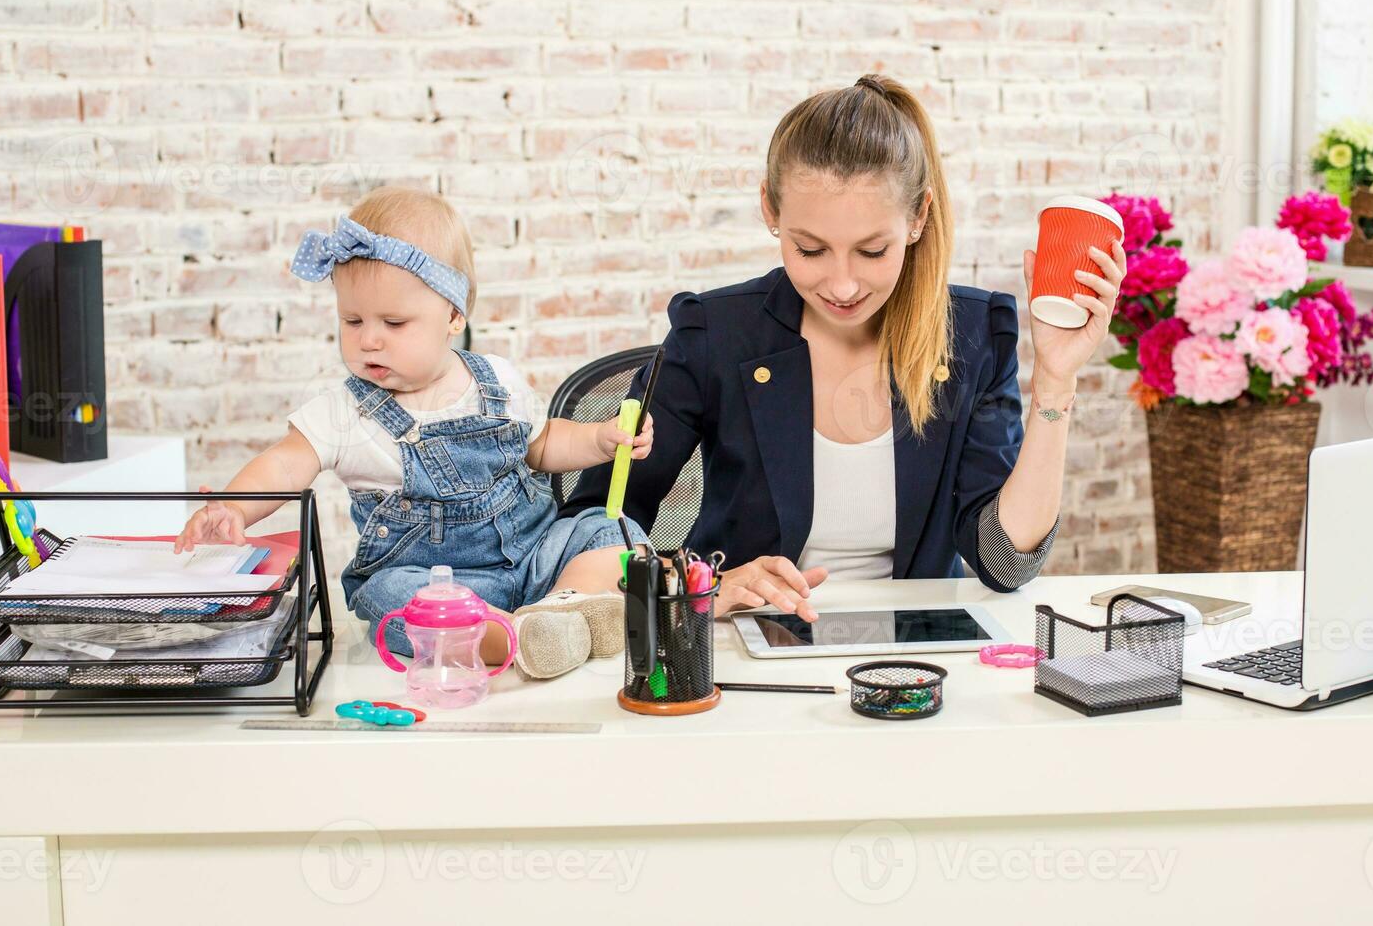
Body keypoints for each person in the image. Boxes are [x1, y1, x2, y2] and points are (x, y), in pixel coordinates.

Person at [563, 74, 1124, 622]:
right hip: (743, 651)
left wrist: (1056, 379)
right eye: (810, 250)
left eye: (872, 251)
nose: (842, 285)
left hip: (911, 660)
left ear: (918, 217)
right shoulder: (715, 332)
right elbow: (596, 521)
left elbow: (1004, 564)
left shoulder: (973, 335)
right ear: (770, 211)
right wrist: (702, 587)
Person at [174, 186, 653, 679]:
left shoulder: (498, 380)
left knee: (605, 530)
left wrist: (599, 440)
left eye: (394, 322)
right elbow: (283, 462)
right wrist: (233, 506)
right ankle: (515, 637)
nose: (369, 339)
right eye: (352, 320)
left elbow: (543, 443)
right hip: (442, 586)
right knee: (387, 595)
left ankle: (561, 609)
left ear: (452, 315)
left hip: (538, 561)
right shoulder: (344, 413)